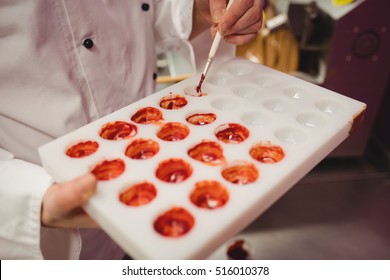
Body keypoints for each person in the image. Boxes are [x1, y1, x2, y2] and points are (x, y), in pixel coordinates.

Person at [0, 0, 263, 259]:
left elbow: (145, 11)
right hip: (44, 221)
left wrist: (196, 11)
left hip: (148, 194)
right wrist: (31, 200)